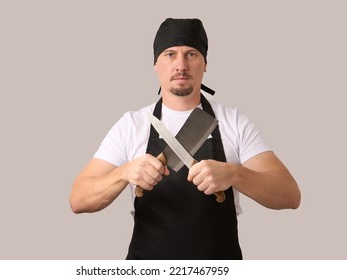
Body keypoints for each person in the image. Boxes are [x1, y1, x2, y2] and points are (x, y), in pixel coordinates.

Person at [69, 18, 301, 260]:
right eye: (170, 54)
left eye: (191, 54)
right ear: (155, 64)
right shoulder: (132, 124)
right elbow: (78, 198)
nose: (181, 65)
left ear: (205, 64)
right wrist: (124, 173)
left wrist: (234, 174)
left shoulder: (233, 122)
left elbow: (290, 195)